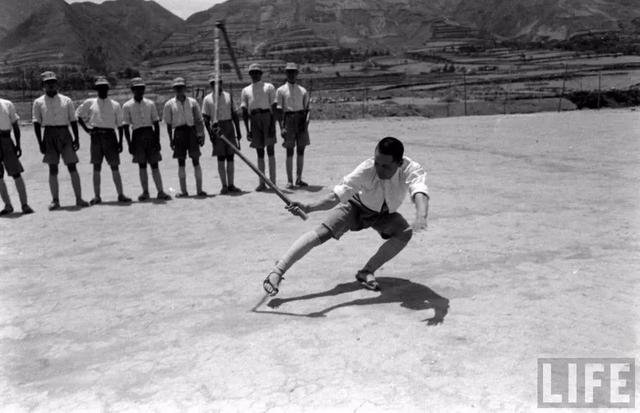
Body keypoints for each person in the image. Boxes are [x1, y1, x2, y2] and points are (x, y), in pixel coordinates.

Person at [263, 137, 429, 296]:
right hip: (355, 206)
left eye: (385, 166)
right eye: (377, 163)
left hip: (384, 214)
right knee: (321, 233)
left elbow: (419, 190)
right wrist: (308, 207)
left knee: (405, 232)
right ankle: (277, 272)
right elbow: (335, 196)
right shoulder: (366, 169)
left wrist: (421, 215)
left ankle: (367, 271)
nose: (378, 169)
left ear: (399, 163)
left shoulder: (410, 168)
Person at [32, 71, 89, 210]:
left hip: (65, 133)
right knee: (53, 168)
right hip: (49, 134)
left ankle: (79, 198)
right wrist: (40, 143)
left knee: (72, 166)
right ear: (43, 85)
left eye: (53, 82)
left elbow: (73, 120)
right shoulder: (38, 102)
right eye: (47, 83)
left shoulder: (66, 100)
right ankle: (55, 200)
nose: (50, 85)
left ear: (57, 84)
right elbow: (36, 123)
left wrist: (76, 138)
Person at [76, 76, 131, 204]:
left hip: (110, 136)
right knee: (96, 166)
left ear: (108, 89)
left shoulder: (115, 105)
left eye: (104, 87)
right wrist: (87, 129)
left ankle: (120, 194)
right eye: (100, 88)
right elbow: (77, 115)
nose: (102, 90)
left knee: (114, 166)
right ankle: (97, 196)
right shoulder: (90, 102)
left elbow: (120, 125)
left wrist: (120, 141)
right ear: (97, 89)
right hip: (96, 136)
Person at [122, 77, 171, 201]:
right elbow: (126, 127)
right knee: (142, 165)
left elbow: (156, 123)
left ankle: (160, 191)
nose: (139, 91)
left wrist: (157, 141)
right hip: (137, 136)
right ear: (132, 90)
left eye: (141, 89)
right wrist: (130, 144)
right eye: (137, 89)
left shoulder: (150, 104)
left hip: (150, 134)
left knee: (155, 165)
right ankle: (145, 192)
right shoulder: (127, 106)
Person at [163, 77, 207, 197]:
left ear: (185, 88)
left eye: (181, 87)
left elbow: (199, 120)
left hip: (191, 132)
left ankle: (199, 190)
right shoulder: (169, 104)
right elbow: (168, 123)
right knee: (181, 162)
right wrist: (171, 139)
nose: (179, 89)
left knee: (196, 160)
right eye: (177, 88)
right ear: (174, 89)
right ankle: (184, 191)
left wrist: (201, 135)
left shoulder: (192, 102)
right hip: (179, 133)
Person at [202, 75, 242, 194]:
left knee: (230, 157)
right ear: (211, 85)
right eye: (213, 83)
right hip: (216, 128)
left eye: (218, 83)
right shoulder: (207, 99)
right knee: (220, 158)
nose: (216, 85)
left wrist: (238, 132)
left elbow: (234, 115)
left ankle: (231, 184)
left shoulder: (228, 96)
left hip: (229, 127)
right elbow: (205, 119)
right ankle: (223, 185)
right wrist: (210, 134)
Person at [240, 63, 277, 191]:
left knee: (270, 150)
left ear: (261, 74)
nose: (255, 75)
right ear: (250, 75)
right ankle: (262, 182)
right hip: (254, 119)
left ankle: (273, 182)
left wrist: (273, 124)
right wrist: (247, 129)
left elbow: (274, 107)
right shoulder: (246, 90)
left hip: (267, 117)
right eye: (252, 73)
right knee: (259, 152)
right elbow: (244, 111)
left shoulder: (269, 87)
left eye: (257, 72)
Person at [275, 62, 310, 189]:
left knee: (301, 149)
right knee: (290, 151)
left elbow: (307, 109)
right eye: (289, 72)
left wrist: (306, 124)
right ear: (286, 73)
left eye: (293, 72)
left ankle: (299, 179)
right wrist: (281, 127)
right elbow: (278, 110)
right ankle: (290, 180)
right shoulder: (281, 90)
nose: (291, 74)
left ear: (297, 73)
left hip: (301, 119)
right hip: (288, 119)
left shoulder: (303, 90)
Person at [0, 98, 34, 215]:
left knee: (16, 173)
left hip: (6, 140)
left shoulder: (7, 104)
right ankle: (8, 205)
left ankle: (24, 204)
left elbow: (15, 125)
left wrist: (18, 144)